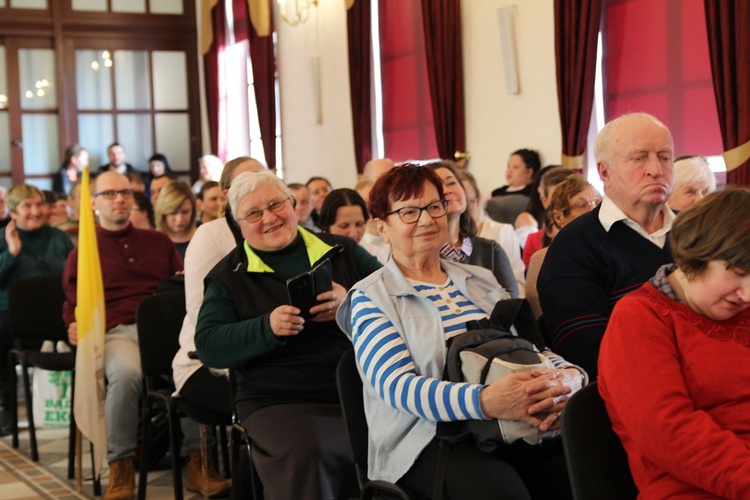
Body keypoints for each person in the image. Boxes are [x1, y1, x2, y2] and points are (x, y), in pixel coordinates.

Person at [336, 165, 585, 499]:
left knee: (581, 471)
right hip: (428, 439)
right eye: (409, 212)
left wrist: (570, 376)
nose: (426, 220)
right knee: (503, 493)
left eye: (433, 206)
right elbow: (395, 387)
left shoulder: (479, 279)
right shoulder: (372, 298)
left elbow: (529, 349)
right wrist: (485, 402)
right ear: (382, 226)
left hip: (507, 424)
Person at [195, 170, 381, 500]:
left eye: (275, 204)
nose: (268, 218)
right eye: (253, 213)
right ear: (239, 223)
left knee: (412, 436)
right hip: (277, 398)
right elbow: (209, 346)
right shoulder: (229, 276)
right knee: (310, 453)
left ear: (293, 204)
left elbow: (397, 299)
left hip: (361, 388)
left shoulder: (343, 250)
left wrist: (350, 303)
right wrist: (264, 327)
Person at [61, 172, 221, 499]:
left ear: (133, 199)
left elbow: (180, 288)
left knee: (195, 366)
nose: (119, 199)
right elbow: (72, 302)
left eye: (124, 193)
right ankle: (121, 466)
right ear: (93, 203)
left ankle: (198, 461)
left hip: (167, 331)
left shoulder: (158, 242)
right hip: (117, 331)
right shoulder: (83, 253)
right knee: (126, 373)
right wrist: (71, 326)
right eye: (109, 194)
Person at [598, 187, 750, 499]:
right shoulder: (639, 318)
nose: (747, 294)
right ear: (697, 255)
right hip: (693, 487)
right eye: (738, 273)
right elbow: (669, 433)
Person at [538, 112, 675, 379]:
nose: (656, 170)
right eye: (638, 158)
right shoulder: (573, 247)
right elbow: (589, 354)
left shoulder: (698, 234)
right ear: (604, 171)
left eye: (665, 157)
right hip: (638, 392)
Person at [0, 184, 74, 436]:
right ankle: (7, 405)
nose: (36, 211)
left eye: (40, 204)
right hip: (12, 317)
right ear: (13, 212)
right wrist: (11, 253)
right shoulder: (3, 238)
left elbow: (75, 276)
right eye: (27, 206)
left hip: (59, 312)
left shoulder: (58, 238)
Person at [429, 161, 519, 298]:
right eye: (438, 186)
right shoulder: (421, 255)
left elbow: (513, 306)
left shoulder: (490, 250)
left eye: (452, 183)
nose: (447, 190)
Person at [525, 176, 601, 318]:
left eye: (598, 202)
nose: (594, 209)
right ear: (559, 218)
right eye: (581, 205)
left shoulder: (615, 248)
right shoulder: (542, 259)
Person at [460, 170, 524, 294]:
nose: (462, 210)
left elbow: (517, 285)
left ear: (478, 200)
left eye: (467, 202)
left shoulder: (501, 232)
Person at [518, 167, 572, 259]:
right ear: (545, 201)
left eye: (571, 195)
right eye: (558, 197)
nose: (565, 203)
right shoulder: (534, 241)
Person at [154, 180, 196, 259]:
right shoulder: (152, 241)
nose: (179, 219)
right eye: (173, 213)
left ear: (193, 211)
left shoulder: (202, 237)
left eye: (185, 212)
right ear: (162, 212)